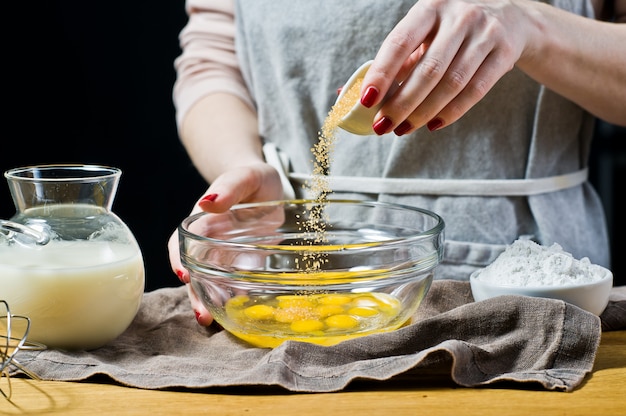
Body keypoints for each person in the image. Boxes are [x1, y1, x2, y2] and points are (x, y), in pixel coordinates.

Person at [168, 0, 626, 326]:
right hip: (289, 271)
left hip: (529, 289)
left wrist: (534, 27)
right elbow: (212, 63)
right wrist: (246, 168)